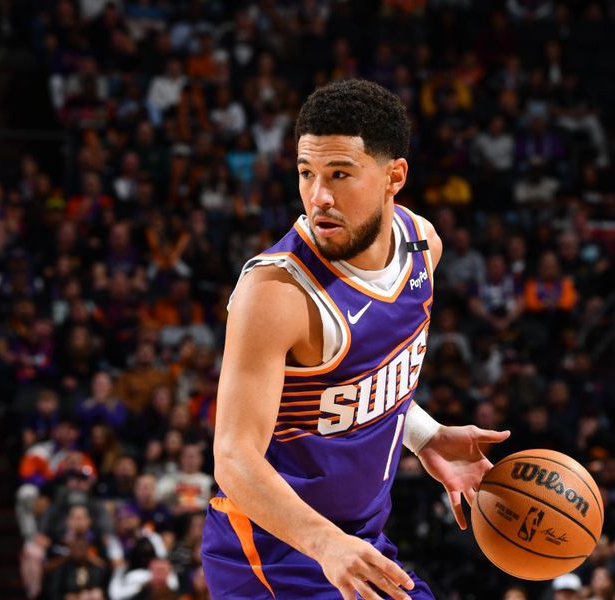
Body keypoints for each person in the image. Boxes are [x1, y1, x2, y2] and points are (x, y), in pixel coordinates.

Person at [201, 79, 511, 599]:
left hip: (358, 545)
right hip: (272, 557)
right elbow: (234, 458)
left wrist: (426, 435)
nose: (319, 196)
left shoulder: (421, 246)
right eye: (307, 174)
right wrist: (325, 544)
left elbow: (356, 380)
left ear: (395, 177)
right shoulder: (275, 291)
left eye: (340, 174)